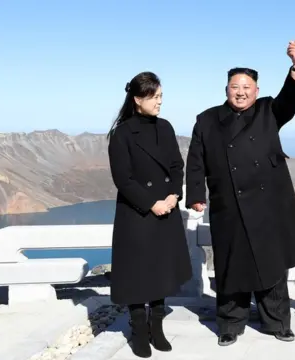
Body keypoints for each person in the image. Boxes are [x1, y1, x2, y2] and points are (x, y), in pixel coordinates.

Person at [185, 40, 295, 346]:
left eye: (247, 86)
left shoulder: (269, 109)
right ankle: (230, 324)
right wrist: (196, 195)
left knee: (272, 266)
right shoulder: (207, 119)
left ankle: (279, 322)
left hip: (268, 206)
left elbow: (291, 97)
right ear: (225, 89)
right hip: (228, 204)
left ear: (256, 89)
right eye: (234, 86)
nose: (240, 92)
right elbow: (196, 159)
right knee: (230, 265)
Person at [107, 71, 192, 358]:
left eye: (161, 97)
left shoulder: (165, 127)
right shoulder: (122, 133)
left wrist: (173, 194)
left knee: (160, 270)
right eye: (154, 97)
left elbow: (176, 165)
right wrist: (151, 203)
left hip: (166, 208)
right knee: (136, 274)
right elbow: (123, 179)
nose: (159, 103)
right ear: (137, 99)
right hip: (137, 212)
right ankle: (139, 329)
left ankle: (157, 327)